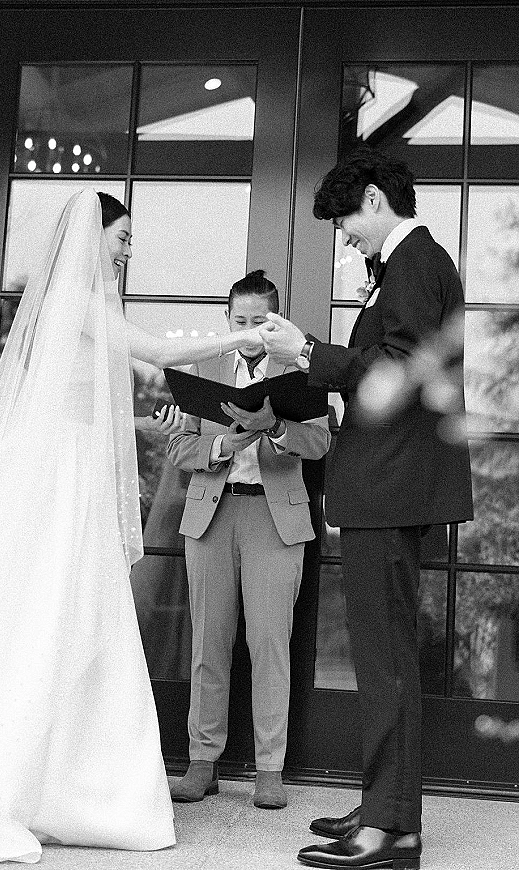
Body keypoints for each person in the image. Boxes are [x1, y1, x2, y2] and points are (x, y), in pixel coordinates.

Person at [0, 189, 267, 863]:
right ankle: (35, 785)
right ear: (95, 238)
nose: (128, 248)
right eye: (122, 237)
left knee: (72, 617)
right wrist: (242, 334)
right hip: (57, 478)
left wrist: (159, 417)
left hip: (66, 467)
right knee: (53, 614)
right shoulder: (80, 301)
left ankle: (58, 782)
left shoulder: (82, 307)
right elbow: (153, 349)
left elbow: (114, 382)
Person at [259, 147, 473, 868]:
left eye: (348, 219)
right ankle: (390, 811)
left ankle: (391, 828)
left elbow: (396, 375)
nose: (346, 235)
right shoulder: (412, 266)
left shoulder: (415, 265)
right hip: (390, 481)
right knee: (386, 661)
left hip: (392, 484)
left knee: (383, 664)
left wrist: (309, 350)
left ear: (377, 200)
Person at [166, 270, 330, 810]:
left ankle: (269, 769)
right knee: (209, 646)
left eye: (260, 322)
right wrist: (221, 444)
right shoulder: (205, 369)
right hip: (211, 517)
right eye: (239, 321)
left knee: (269, 647)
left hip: (274, 519)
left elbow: (319, 440)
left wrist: (274, 427)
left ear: (275, 320)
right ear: (227, 321)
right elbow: (180, 450)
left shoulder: (299, 368)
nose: (250, 330)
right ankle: (201, 765)